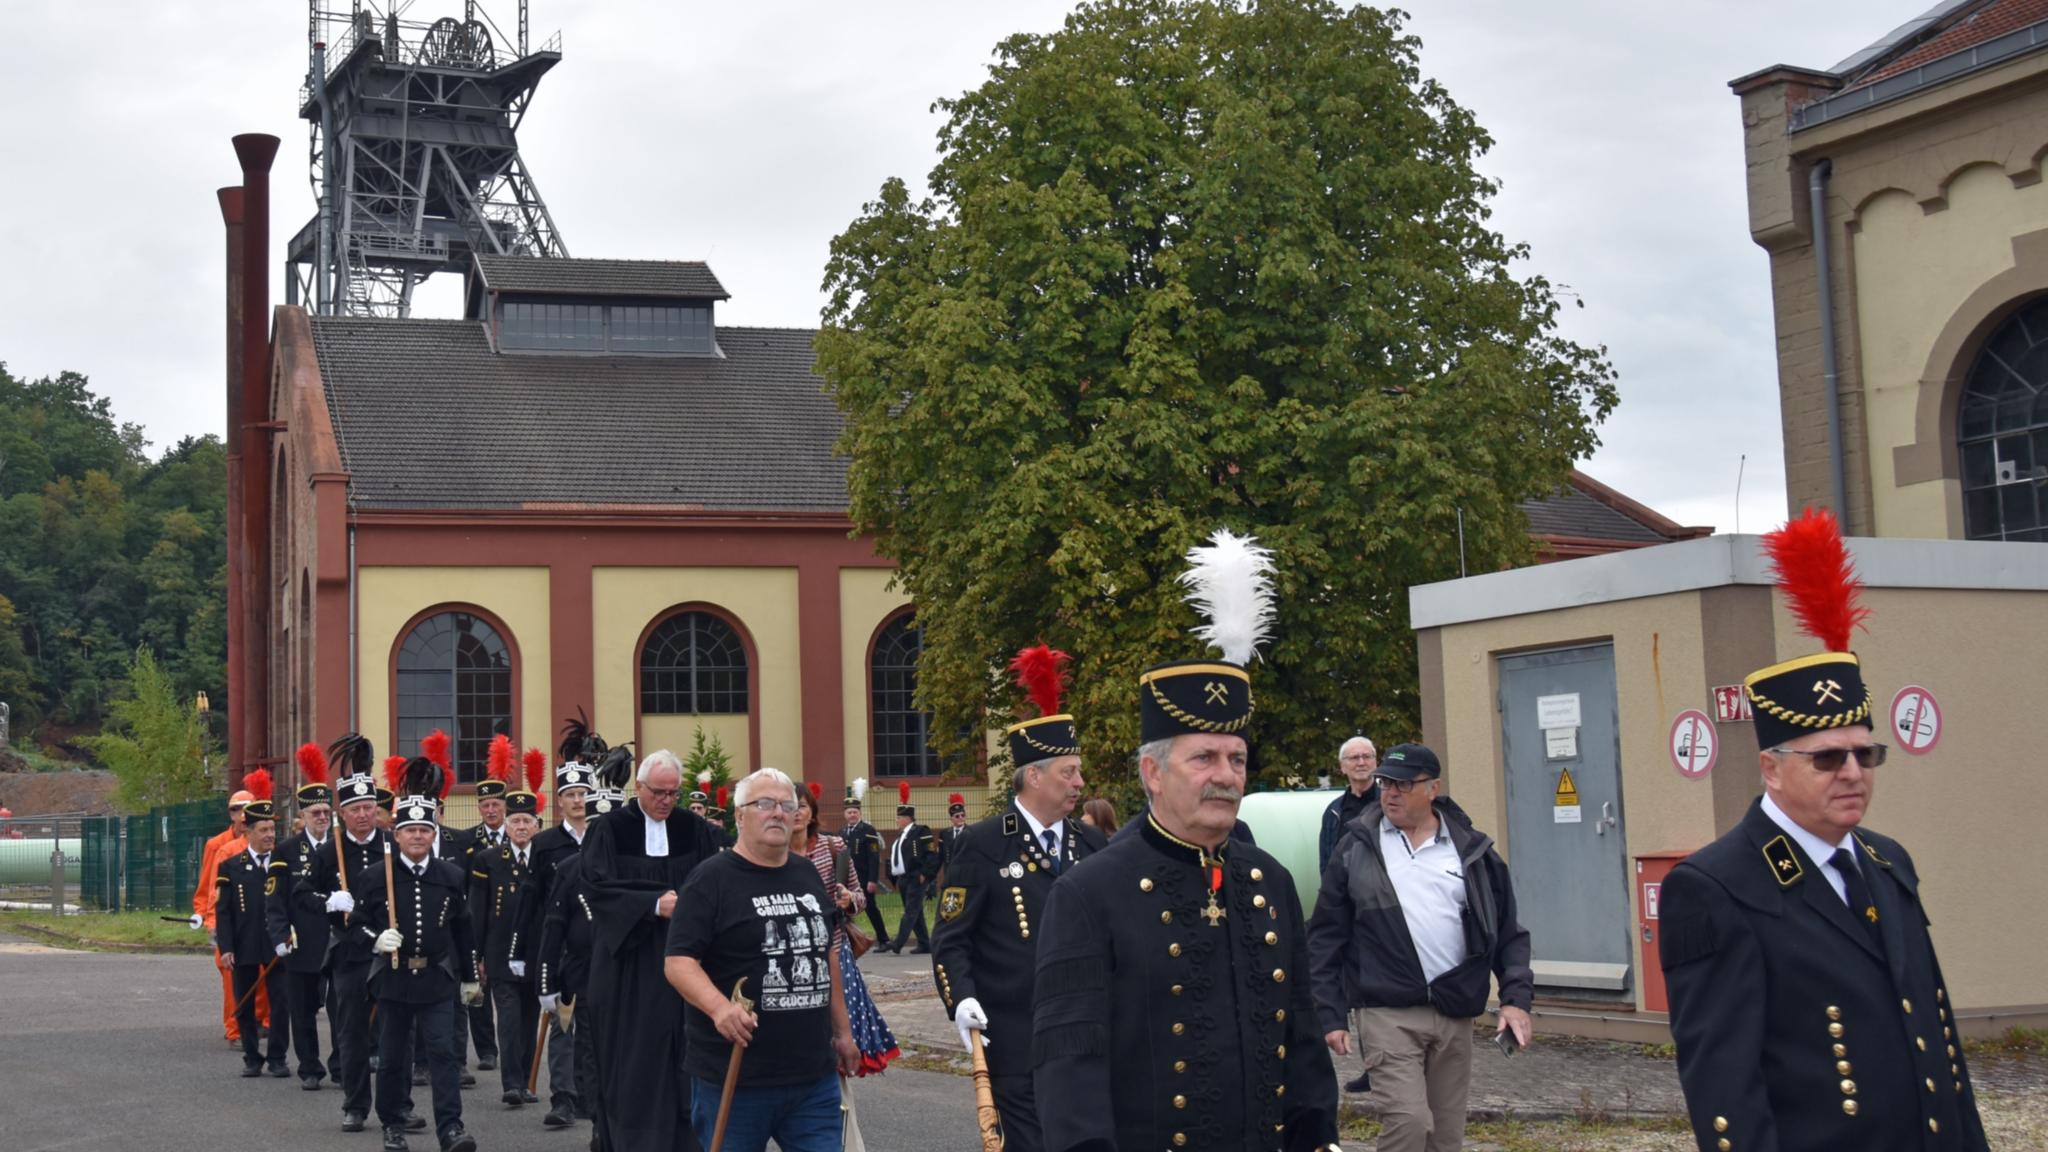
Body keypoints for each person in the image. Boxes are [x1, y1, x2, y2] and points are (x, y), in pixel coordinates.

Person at [1659, 509, 1987, 1152]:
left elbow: (1938, 1042)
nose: (1853, 773)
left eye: (1866, 755)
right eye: (1828, 758)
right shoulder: (1717, 886)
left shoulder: (1887, 861)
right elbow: (1725, 1084)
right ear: (1771, 769)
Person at [1032, 529, 1340, 1152]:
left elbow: (1301, 1039)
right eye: (1203, 758)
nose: (1225, 777)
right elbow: (1070, 1066)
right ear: (1152, 772)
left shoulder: (1269, 880)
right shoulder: (1089, 893)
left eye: (1236, 758)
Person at [1308, 742, 1533, 1152]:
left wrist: (1516, 999)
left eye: (1403, 784)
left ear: (1432, 788)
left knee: (1444, 1138)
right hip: (1385, 1011)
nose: (1390, 792)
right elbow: (1325, 935)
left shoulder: (1472, 851)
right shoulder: (1357, 846)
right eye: (1385, 783)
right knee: (1409, 1123)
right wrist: (1330, 1013)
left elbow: (1507, 933)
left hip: (1454, 1011)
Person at [933, 642, 1106, 1152]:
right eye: (1068, 772)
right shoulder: (983, 845)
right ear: (1034, 776)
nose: (1080, 782)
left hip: (1087, 1040)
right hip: (1015, 1038)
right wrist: (961, 997)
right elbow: (951, 939)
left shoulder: (1093, 844)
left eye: (1078, 771)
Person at [664, 768, 860, 1152]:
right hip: (736, 1077)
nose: (779, 813)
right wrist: (721, 1009)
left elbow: (826, 954)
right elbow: (678, 962)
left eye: (787, 805)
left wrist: (843, 1032)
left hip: (811, 1076)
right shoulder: (710, 880)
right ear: (739, 815)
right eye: (765, 804)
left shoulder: (805, 874)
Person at [580, 745, 720, 1152]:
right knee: (636, 1058)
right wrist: (652, 904)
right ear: (638, 787)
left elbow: (715, 880)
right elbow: (595, 887)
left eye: (673, 793)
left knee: (686, 1051)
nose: (666, 801)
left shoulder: (694, 829)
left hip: (688, 958)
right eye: (658, 792)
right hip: (631, 965)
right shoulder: (610, 829)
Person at [352, 760, 481, 1152]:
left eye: (425, 830)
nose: (418, 837)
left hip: (437, 979)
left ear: (434, 832)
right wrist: (376, 939)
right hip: (393, 980)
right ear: (397, 833)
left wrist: (471, 976)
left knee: (444, 1056)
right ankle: (392, 1124)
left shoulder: (451, 875)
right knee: (392, 1058)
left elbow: (463, 928)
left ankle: (451, 1127)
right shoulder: (377, 875)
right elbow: (352, 926)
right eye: (411, 830)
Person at [307, 734, 401, 1134]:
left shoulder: (391, 846)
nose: (363, 815)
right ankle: (355, 1104)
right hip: (348, 954)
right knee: (352, 1034)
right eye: (355, 809)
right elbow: (301, 894)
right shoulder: (329, 852)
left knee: (397, 1034)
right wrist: (329, 901)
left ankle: (398, 1107)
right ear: (342, 814)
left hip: (388, 951)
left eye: (369, 808)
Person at [539, 762, 630, 1137]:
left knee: (626, 1050)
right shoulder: (570, 867)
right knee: (589, 1049)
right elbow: (553, 924)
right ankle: (595, 1123)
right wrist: (546, 980)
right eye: (596, 828)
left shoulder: (636, 867)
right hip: (584, 972)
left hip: (628, 974)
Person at [793, 780, 899, 1075]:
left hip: (835, 948)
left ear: (812, 813)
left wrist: (848, 899)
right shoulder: (773, 851)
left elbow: (860, 896)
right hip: (795, 951)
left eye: (801, 806)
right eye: (790, 807)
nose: (795, 813)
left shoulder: (833, 846)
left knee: (839, 1032)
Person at [527, 726, 597, 1129]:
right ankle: (564, 1098)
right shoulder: (546, 843)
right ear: (559, 801)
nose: (577, 801)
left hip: (598, 949)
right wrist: (529, 955)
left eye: (583, 794)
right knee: (563, 1025)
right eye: (570, 795)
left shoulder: (607, 838)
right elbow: (533, 898)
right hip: (561, 949)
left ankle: (591, 1093)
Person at [473, 761, 547, 1109]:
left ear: (537, 825)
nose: (520, 827)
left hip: (535, 952)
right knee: (510, 1020)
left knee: (531, 1018)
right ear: (506, 825)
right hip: (500, 952)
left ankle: (528, 1080)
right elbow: (479, 911)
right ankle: (512, 1083)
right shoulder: (489, 860)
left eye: (526, 821)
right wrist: (478, 955)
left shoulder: (546, 861)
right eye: (514, 821)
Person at [268, 746, 338, 1089]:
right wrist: (280, 936)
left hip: (338, 941)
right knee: (303, 1009)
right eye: (316, 812)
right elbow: (276, 900)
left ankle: (341, 1065)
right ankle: (310, 1067)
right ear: (304, 816)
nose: (322, 817)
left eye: (326, 811)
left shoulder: (342, 845)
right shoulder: (286, 851)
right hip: (302, 941)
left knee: (342, 1010)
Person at [216, 776, 291, 1078]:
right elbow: (224, 912)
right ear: (248, 832)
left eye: (272, 829)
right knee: (244, 1002)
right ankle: (251, 1055)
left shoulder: (283, 863)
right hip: (245, 942)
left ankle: (277, 1057)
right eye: (263, 830)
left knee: (280, 1003)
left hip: (276, 944)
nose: (270, 835)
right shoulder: (231, 867)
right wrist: (226, 948)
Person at [193, 785, 267, 1044]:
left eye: (247, 808)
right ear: (231, 814)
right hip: (227, 919)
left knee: (263, 974)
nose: (242, 814)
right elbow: (210, 884)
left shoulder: (267, 842)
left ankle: (258, 1022)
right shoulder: (220, 847)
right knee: (232, 976)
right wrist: (207, 916)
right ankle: (235, 1028)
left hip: (258, 920)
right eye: (237, 809)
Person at [456, 750, 512, 1075]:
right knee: (477, 989)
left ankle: (508, 1047)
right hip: (476, 920)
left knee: (506, 993)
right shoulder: (468, 841)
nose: (491, 810)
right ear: (479, 808)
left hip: (505, 924)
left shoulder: (519, 836)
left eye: (496, 805)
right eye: (486, 805)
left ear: (505, 807)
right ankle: (486, 1051)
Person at [878, 785, 937, 954]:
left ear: (907, 818)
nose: (896, 820)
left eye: (899, 817)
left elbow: (931, 854)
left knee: (910, 912)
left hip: (916, 877)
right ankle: (925, 944)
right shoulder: (901, 835)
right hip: (904, 878)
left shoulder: (920, 831)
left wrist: (925, 874)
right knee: (915, 913)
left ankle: (897, 943)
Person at [1318, 737, 1379, 874]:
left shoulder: (1388, 804)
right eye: (1354, 758)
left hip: (1381, 892)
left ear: (1375, 763)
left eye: (1367, 756)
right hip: (1343, 891)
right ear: (1342, 767)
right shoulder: (1333, 811)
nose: (1361, 762)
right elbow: (1326, 862)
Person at [841, 784, 889, 945]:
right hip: (847, 879)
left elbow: (874, 857)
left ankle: (883, 939)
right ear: (845, 814)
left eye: (855, 812)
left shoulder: (868, 830)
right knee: (845, 911)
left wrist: (872, 880)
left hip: (863, 877)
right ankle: (849, 940)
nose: (852, 814)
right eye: (849, 812)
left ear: (859, 813)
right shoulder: (842, 832)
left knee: (870, 909)